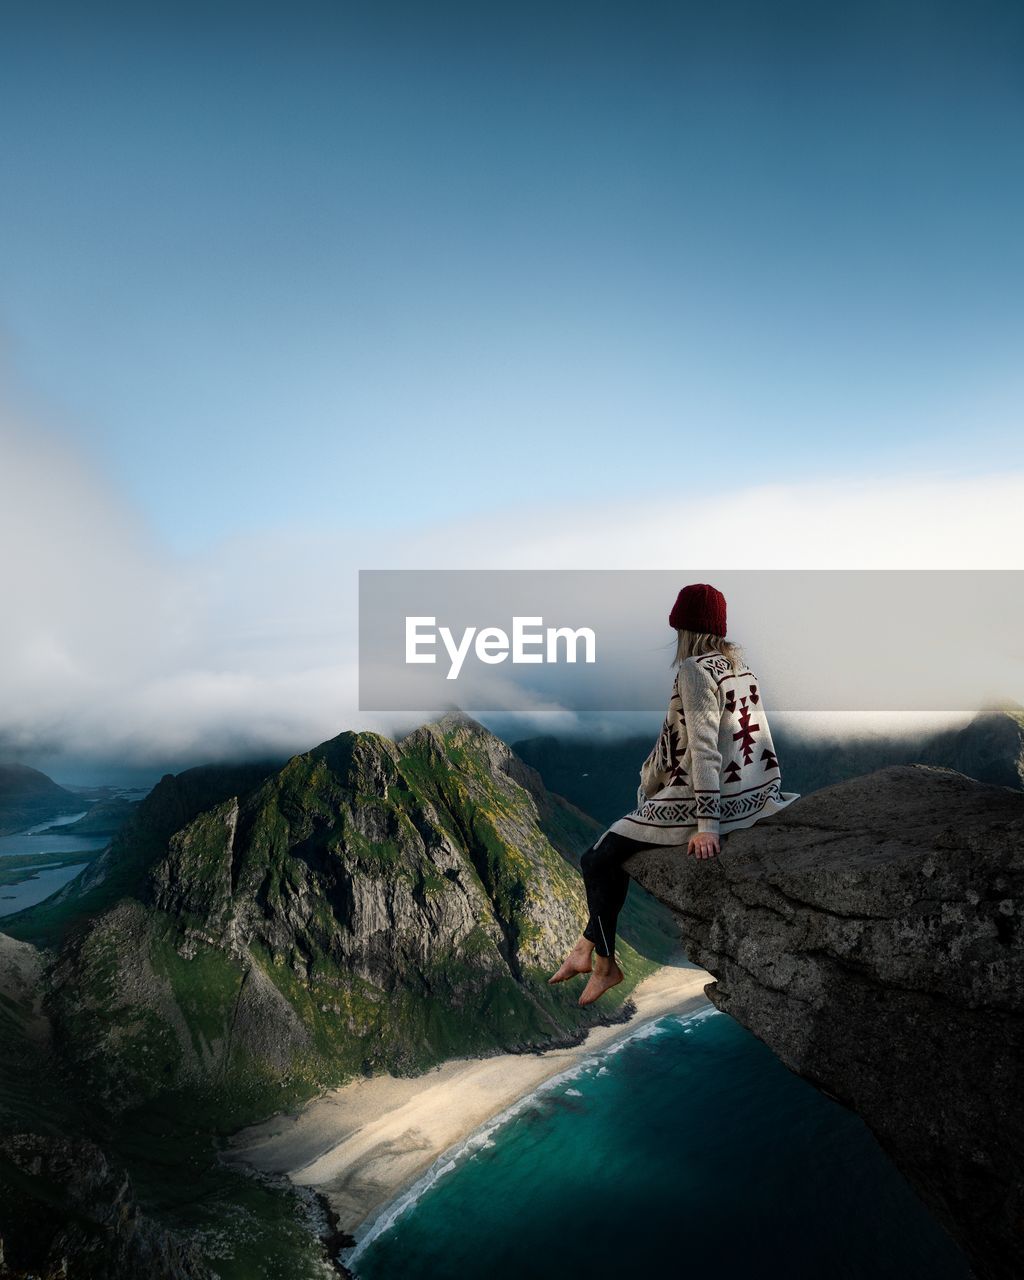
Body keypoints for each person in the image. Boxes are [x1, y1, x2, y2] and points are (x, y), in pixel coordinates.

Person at [549, 582, 800, 1006]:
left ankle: (604, 964)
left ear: (684, 628)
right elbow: (755, 740)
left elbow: (702, 748)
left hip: (707, 797)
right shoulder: (740, 669)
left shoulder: (695, 671)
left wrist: (708, 826)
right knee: (615, 855)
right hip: (753, 792)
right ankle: (585, 950)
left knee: (597, 858)